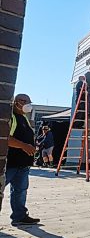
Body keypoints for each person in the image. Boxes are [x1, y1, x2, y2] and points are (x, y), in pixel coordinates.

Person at [7, 94, 40, 226]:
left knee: (20, 191)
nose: (28, 104)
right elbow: (6, 139)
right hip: (10, 163)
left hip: (23, 164)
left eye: (29, 101)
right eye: (24, 101)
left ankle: (19, 217)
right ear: (16, 102)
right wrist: (24, 146)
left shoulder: (24, 119)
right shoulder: (12, 118)